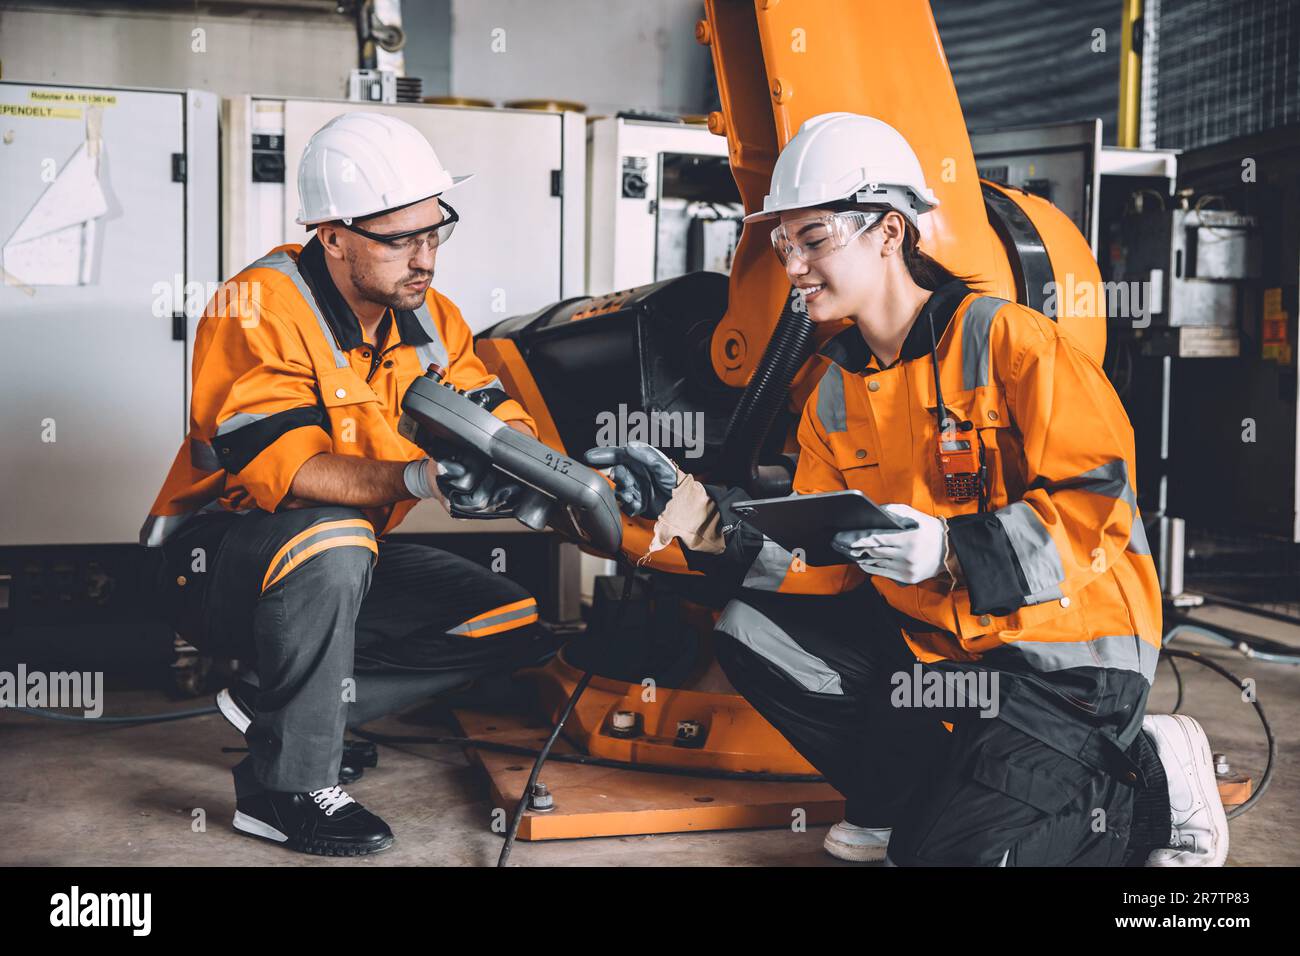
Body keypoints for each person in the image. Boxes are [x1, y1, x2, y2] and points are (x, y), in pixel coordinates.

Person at [586, 112, 1229, 867]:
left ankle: (1152, 788)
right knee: (750, 631)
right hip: (939, 659)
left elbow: (1099, 505)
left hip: (1064, 664)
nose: (792, 266)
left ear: (889, 232)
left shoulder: (1014, 344)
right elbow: (819, 559)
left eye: (813, 239)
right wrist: (686, 511)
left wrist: (952, 551)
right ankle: (911, 801)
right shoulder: (834, 389)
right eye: (782, 243)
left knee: (949, 861)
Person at [141, 112, 553, 857]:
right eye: (401, 240)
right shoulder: (259, 308)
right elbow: (293, 477)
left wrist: (550, 471)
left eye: (436, 233)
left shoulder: (430, 318)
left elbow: (494, 414)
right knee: (332, 531)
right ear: (331, 235)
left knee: (516, 616)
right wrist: (420, 476)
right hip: (214, 564)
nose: (425, 258)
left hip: (343, 561)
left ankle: (283, 707)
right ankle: (285, 789)